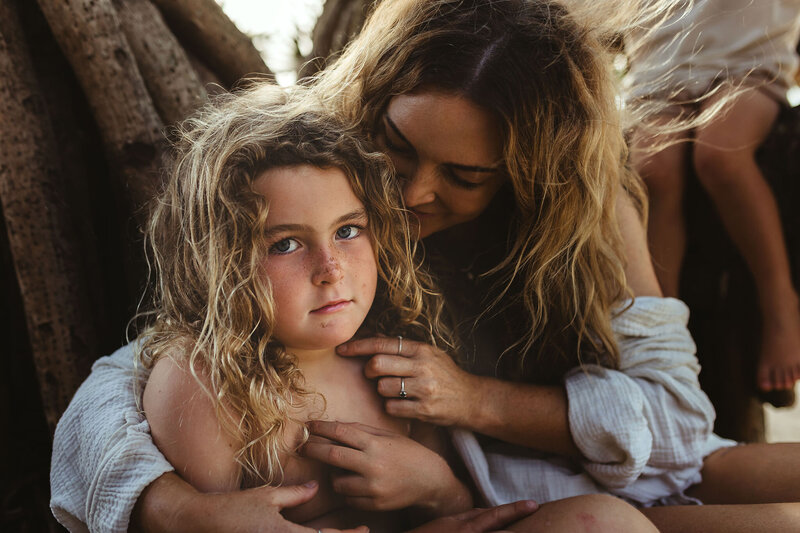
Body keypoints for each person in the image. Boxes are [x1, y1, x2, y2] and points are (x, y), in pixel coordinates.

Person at [50, 1, 800, 532]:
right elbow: (131, 376)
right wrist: (175, 508)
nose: (411, 191)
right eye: (400, 145)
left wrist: (475, 398)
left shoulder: (592, 213)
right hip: (536, 498)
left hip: (624, 467)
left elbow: (674, 422)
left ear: (529, 173)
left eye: (466, 175)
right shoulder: (328, 177)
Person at [626, 0, 800, 392]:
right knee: (653, 169)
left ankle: (781, 306)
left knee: (720, 155)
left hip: (746, 57)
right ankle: (660, 337)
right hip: (663, 64)